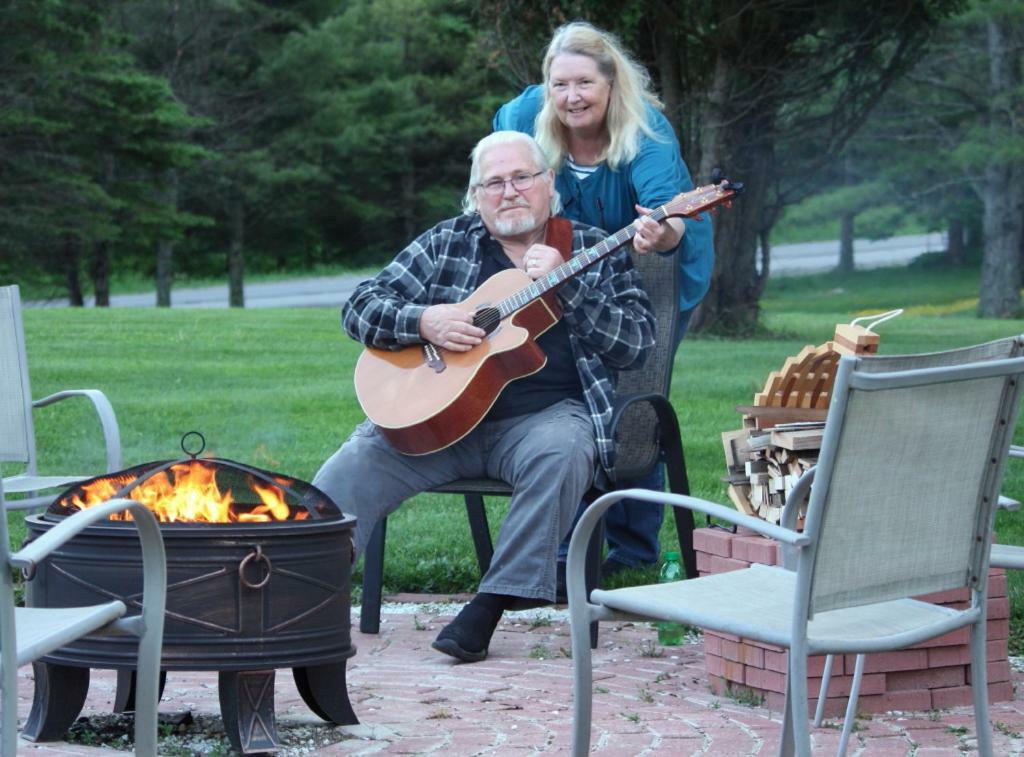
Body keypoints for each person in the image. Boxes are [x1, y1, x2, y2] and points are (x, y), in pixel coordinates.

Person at [312, 130, 654, 663]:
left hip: (543, 420)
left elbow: (637, 345)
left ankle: (488, 607)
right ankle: (294, 593)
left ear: (548, 185)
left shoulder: (590, 247)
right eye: (493, 182)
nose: (509, 191)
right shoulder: (448, 240)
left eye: (522, 177)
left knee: (564, 452)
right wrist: (423, 320)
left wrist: (570, 287)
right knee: (356, 460)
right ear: (476, 195)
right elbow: (359, 306)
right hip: (440, 419)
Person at [493, 21, 715, 577]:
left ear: (611, 84)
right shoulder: (523, 117)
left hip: (650, 269)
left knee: (630, 398)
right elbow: (498, 176)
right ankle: (565, 543)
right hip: (559, 265)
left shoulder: (647, 132)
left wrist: (662, 233)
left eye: (585, 84)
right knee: (560, 390)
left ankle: (633, 551)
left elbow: (669, 218)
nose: (571, 97)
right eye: (559, 84)